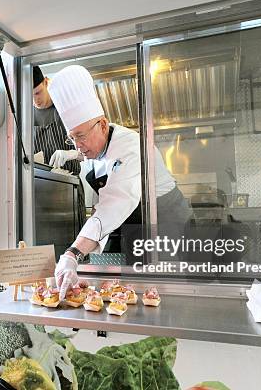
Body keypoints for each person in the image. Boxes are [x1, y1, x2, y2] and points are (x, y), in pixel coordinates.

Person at [48, 65, 192, 299]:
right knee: (120, 283)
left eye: (81, 136)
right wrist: (71, 153)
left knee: (162, 287)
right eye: (72, 138)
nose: (77, 146)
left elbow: (114, 204)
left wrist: (72, 254)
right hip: (133, 219)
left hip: (164, 219)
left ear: (103, 125)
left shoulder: (132, 148)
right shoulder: (96, 147)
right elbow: (99, 173)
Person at [32, 66, 80, 173]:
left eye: (37, 93)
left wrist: (72, 154)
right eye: (30, 95)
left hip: (70, 184)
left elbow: (90, 151)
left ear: (45, 82)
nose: (35, 100)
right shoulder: (25, 116)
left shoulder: (66, 107)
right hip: (39, 183)